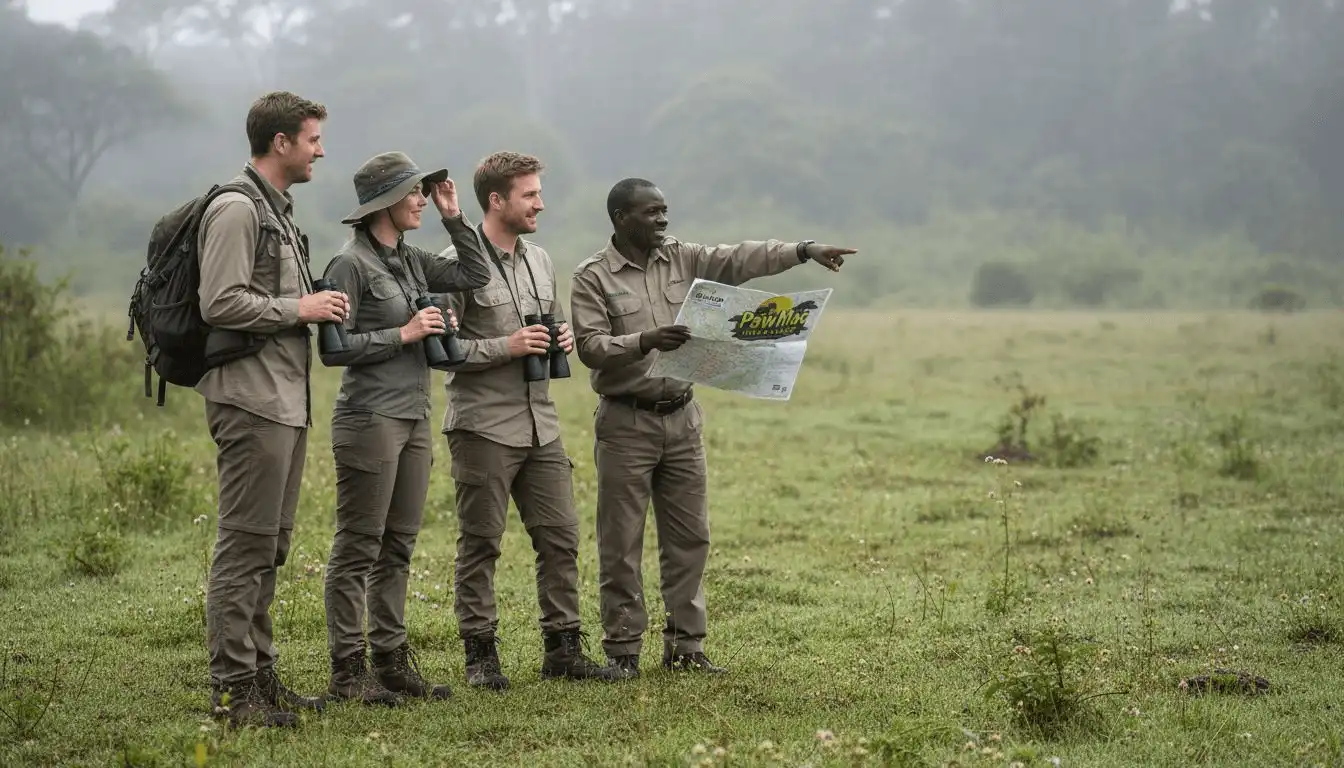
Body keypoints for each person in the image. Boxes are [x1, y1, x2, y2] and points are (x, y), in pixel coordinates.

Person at [568, 178, 857, 677]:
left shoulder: (682, 257)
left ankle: (686, 648)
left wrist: (804, 251)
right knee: (621, 542)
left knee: (690, 536)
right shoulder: (592, 276)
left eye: (665, 211)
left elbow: (742, 258)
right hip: (625, 421)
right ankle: (623, 651)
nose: (662, 220)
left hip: (682, 416)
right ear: (620, 218)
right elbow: (590, 346)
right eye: (651, 212)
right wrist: (644, 339)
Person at [435, 151, 626, 689]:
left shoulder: (541, 259)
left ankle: (563, 650)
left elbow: (551, 321)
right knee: (481, 543)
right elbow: (444, 351)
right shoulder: (455, 262)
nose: (541, 202)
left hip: (541, 423)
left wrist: (560, 336)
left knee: (561, 538)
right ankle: (481, 658)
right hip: (482, 425)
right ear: (496, 200)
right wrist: (507, 345)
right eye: (530, 194)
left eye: (539, 192)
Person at [318, 152, 492, 706]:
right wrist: (407, 333)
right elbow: (333, 349)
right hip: (370, 418)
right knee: (357, 546)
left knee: (398, 545)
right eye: (416, 192)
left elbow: (475, 274)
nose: (422, 198)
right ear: (387, 202)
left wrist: (453, 216)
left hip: (414, 417)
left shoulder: (411, 257)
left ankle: (390, 662)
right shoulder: (349, 265)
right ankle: (348, 673)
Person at [198, 91, 349, 728]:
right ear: (281, 142)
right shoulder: (237, 209)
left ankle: (261, 678)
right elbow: (219, 301)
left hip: (285, 400)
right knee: (245, 546)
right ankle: (234, 692)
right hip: (251, 399)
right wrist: (301, 309)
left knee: (272, 546)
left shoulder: (278, 211)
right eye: (313, 138)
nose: (321, 149)